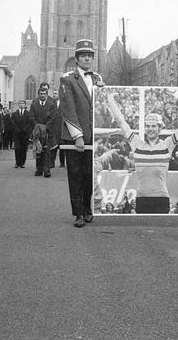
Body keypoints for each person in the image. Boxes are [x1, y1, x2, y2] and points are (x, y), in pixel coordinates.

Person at [106, 94, 178, 213]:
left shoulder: (167, 145)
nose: (150, 129)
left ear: (160, 128)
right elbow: (121, 122)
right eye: (148, 126)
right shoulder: (137, 144)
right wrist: (110, 100)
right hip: (141, 199)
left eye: (154, 126)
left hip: (162, 199)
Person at [60, 39, 104, 227]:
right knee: (76, 175)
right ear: (76, 59)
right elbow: (68, 109)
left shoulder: (97, 79)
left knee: (89, 175)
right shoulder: (67, 79)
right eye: (83, 55)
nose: (87, 58)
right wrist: (77, 136)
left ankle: (88, 209)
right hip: (74, 137)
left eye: (89, 56)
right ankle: (78, 213)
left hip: (92, 136)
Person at [29, 86, 57, 177]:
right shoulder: (34, 104)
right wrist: (38, 127)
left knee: (47, 151)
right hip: (37, 132)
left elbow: (53, 117)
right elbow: (31, 117)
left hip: (47, 131)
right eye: (40, 94)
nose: (42, 95)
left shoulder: (51, 104)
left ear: (46, 94)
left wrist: (45, 127)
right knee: (38, 150)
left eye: (44, 94)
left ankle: (46, 170)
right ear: (38, 94)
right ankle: (39, 169)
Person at [11, 100, 32, 168]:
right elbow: (13, 123)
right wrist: (17, 129)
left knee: (23, 148)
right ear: (18, 105)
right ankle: (17, 163)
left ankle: (22, 163)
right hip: (17, 134)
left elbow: (29, 123)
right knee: (17, 148)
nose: (21, 104)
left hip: (25, 134)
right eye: (20, 103)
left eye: (23, 103)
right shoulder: (14, 114)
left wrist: (25, 129)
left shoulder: (28, 113)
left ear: (25, 105)